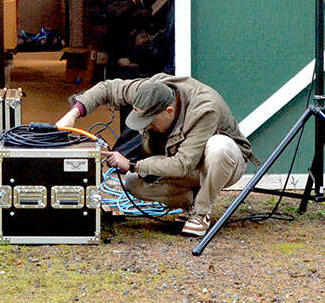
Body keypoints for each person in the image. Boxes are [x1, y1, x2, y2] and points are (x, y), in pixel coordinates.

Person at [56, 74, 257, 237]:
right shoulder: (149, 91)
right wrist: (74, 114)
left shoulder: (204, 109)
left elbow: (182, 165)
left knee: (218, 147)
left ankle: (200, 213)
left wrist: (134, 165)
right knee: (133, 183)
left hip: (226, 162)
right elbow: (108, 88)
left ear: (169, 111)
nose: (147, 127)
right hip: (185, 163)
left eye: (150, 121)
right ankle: (191, 202)